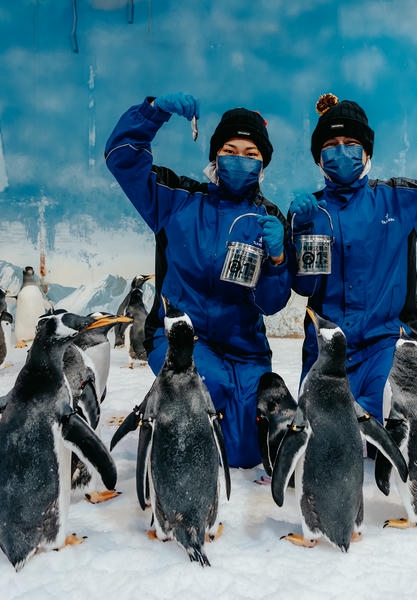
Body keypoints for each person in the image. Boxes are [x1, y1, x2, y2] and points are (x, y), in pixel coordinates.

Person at [104, 92, 292, 468]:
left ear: (262, 164)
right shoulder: (177, 199)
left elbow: (271, 303)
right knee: (209, 401)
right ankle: (167, 409)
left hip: (244, 348)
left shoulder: (268, 218)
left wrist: (277, 258)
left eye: (251, 153)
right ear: (215, 156)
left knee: (245, 452)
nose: (239, 158)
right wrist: (152, 112)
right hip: (181, 340)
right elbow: (122, 157)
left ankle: (179, 406)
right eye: (230, 149)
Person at [288, 93, 417, 420]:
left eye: (351, 143)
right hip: (325, 353)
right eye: (331, 144)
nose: (342, 151)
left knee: (391, 436)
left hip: (387, 349)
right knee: (321, 446)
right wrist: (300, 231)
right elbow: (304, 285)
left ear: (367, 152)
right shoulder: (312, 212)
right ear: (319, 158)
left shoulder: (398, 200)